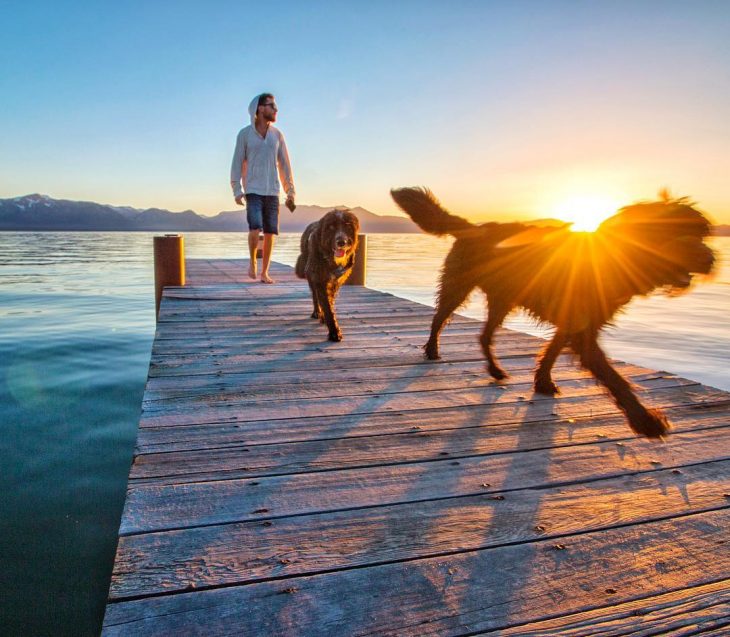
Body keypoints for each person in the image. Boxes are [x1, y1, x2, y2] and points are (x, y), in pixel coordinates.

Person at [230, 93, 296, 283]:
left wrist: (290, 191)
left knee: (270, 232)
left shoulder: (277, 135)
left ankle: (265, 272)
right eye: (271, 105)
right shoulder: (245, 134)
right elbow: (236, 163)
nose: (276, 109)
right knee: (254, 226)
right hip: (253, 190)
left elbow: (284, 165)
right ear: (259, 108)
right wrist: (237, 189)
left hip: (272, 191)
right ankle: (252, 262)